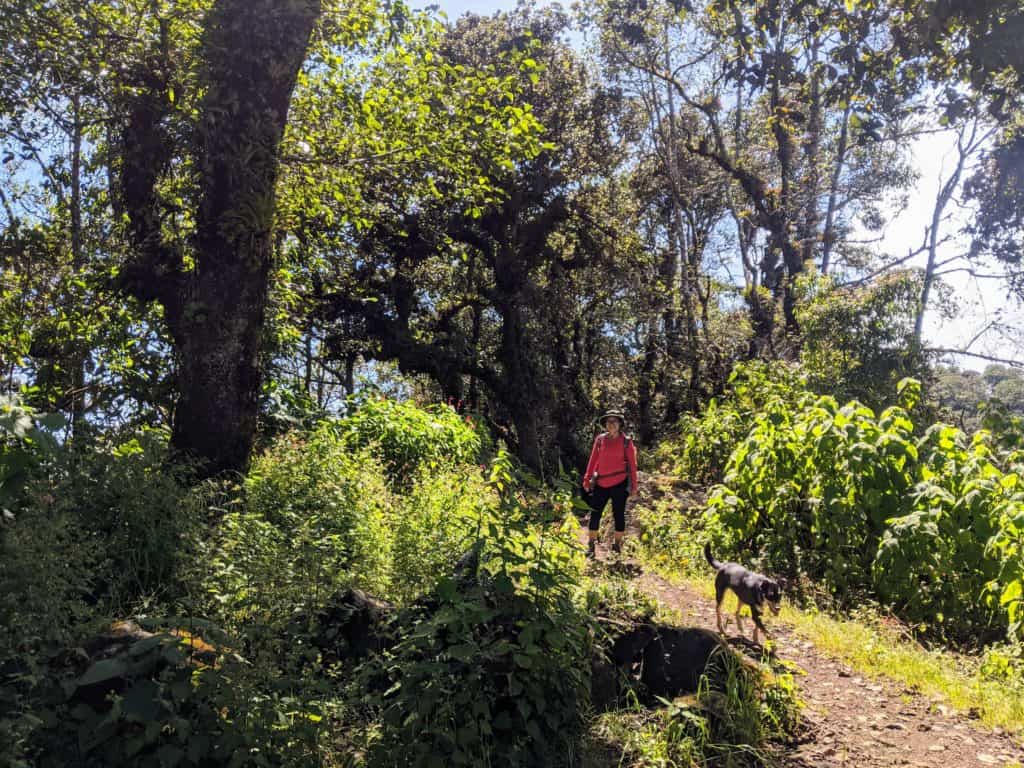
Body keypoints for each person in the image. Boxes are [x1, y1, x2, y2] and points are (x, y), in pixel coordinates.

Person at [582, 409, 638, 558]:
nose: (611, 424)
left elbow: (632, 465)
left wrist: (634, 486)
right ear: (605, 424)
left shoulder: (626, 442)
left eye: (614, 421)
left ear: (620, 424)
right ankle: (591, 545)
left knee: (618, 514)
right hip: (601, 482)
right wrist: (587, 479)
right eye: (609, 421)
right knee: (595, 513)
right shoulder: (600, 440)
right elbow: (593, 460)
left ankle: (616, 546)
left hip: (620, 483)